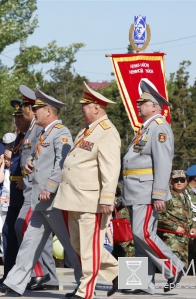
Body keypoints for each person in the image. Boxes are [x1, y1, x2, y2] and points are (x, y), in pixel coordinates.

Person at [0, 88, 81, 296]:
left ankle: (85, 282)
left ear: (49, 112)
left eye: (38, 109)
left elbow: (62, 163)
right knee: (29, 243)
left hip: (53, 199)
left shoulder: (61, 132)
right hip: (39, 198)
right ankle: (15, 282)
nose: (34, 112)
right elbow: (40, 159)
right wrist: (30, 164)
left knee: (70, 244)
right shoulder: (44, 132)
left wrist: (50, 187)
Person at [54, 82, 121, 299]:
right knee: (78, 244)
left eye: (85, 105)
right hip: (74, 198)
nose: (81, 109)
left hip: (92, 200)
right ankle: (117, 273)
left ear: (96, 107)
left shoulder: (107, 132)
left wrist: (107, 198)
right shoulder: (87, 130)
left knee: (89, 247)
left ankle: (85, 292)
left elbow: (111, 169)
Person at [121, 80, 185, 295]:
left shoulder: (159, 128)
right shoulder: (146, 128)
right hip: (134, 190)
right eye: (139, 103)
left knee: (143, 233)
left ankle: (174, 266)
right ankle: (139, 282)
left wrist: (159, 194)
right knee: (138, 238)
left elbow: (163, 163)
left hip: (147, 191)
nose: (139, 106)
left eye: (143, 103)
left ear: (155, 106)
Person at [158, 170, 196, 268]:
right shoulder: (167, 197)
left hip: (184, 241)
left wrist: (192, 227)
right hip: (172, 240)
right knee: (172, 269)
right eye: (176, 180)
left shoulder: (186, 197)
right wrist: (174, 228)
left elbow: (188, 216)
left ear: (186, 182)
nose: (179, 183)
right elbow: (159, 217)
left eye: (182, 180)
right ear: (171, 181)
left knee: (183, 271)